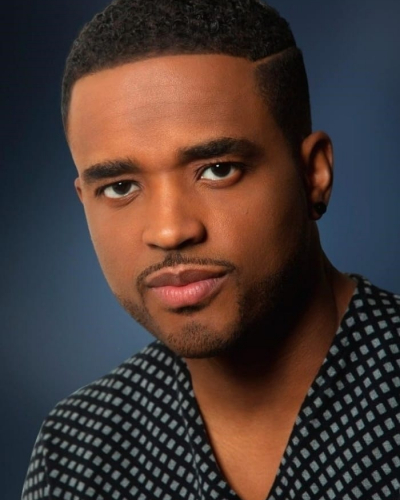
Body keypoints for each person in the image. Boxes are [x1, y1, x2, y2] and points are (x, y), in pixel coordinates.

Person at [22, 0, 400, 499]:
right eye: (119, 187)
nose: (169, 230)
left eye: (218, 170)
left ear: (313, 174)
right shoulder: (76, 453)